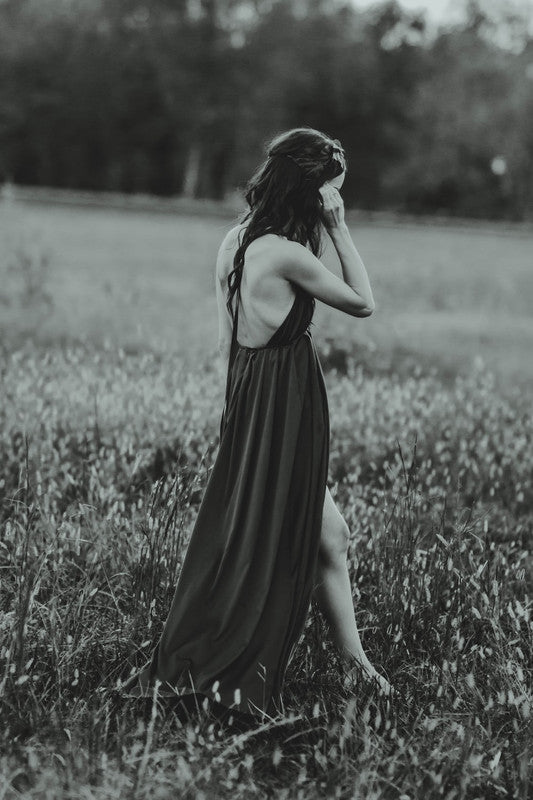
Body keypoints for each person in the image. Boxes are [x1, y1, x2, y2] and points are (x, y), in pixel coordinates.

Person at [122, 127, 391, 724]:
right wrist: (340, 228)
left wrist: (234, 422)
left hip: (250, 397)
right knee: (314, 534)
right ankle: (329, 664)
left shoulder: (235, 242)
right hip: (283, 405)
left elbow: (225, 345)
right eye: (330, 192)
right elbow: (364, 302)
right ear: (311, 192)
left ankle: (357, 666)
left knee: (327, 534)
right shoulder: (288, 253)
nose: (334, 202)